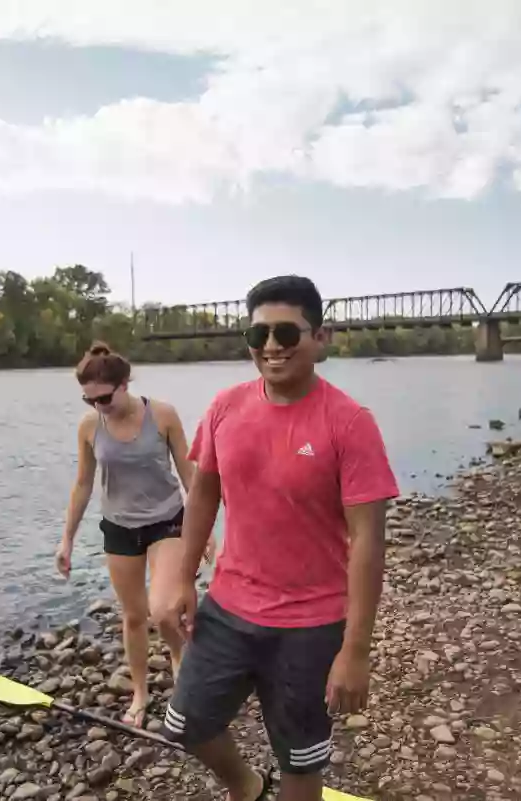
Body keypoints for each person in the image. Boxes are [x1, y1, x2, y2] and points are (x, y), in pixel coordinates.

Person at [155, 276, 399, 801]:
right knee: (186, 723)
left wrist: (356, 650)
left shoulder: (349, 422)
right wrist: (182, 579)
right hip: (229, 608)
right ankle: (246, 786)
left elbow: (368, 541)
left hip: (311, 626)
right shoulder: (225, 407)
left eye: (286, 332)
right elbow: (203, 496)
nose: (270, 346)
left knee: (301, 764)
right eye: (257, 333)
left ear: (321, 338)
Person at [56, 342, 217, 728]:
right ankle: (141, 693)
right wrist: (67, 539)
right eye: (89, 400)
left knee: (164, 610)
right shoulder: (90, 426)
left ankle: (180, 658)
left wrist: (205, 528)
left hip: (168, 521)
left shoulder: (162, 415)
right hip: (119, 528)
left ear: (125, 384)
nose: (99, 406)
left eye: (105, 397)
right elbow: (82, 485)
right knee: (132, 617)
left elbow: (189, 474)